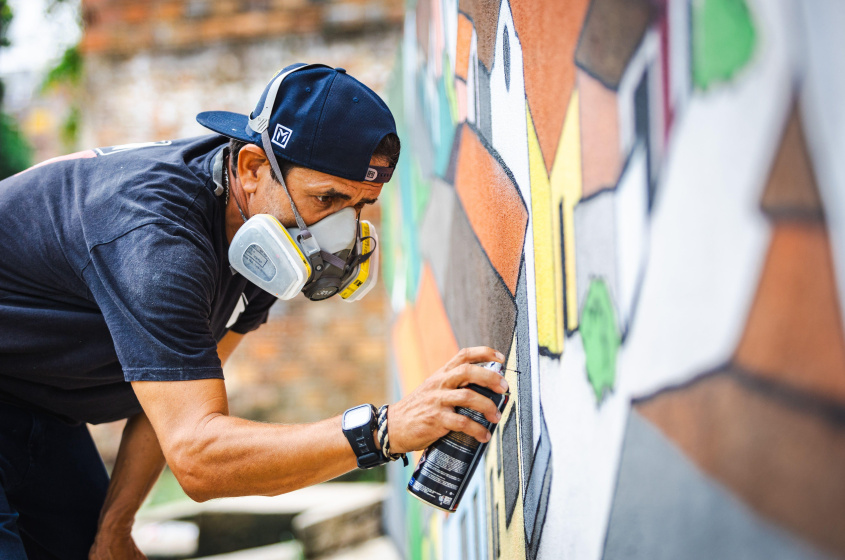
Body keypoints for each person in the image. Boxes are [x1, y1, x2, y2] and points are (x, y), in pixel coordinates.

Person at [0, 63, 507, 559]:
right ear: (251, 168)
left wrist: (115, 528)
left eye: (360, 205)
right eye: (327, 197)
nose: (340, 232)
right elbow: (198, 455)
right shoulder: (158, 243)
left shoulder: (264, 234)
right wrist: (383, 428)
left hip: (32, 403)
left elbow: (176, 403)